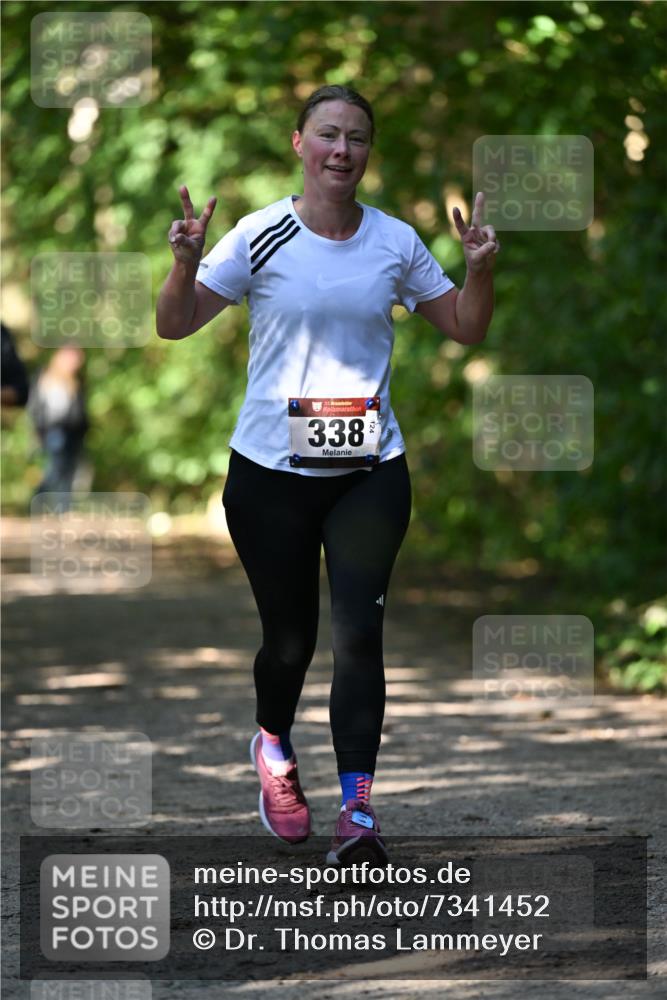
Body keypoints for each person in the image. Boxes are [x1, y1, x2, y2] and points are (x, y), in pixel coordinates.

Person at [156, 84, 499, 866]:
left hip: (368, 471)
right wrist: (182, 265)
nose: (342, 151)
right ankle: (273, 748)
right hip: (269, 475)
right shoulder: (259, 234)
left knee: (358, 636)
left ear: (366, 153)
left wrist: (477, 269)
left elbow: (466, 329)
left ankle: (357, 809)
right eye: (328, 136)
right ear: (299, 143)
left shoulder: (394, 242)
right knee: (289, 644)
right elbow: (174, 324)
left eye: (356, 139)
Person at [28, 344, 89, 507]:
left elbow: (79, 410)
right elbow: (36, 407)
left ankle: (63, 507)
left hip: (73, 432)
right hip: (53, 431)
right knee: (55, 469)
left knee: (69, 469)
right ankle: (39, 502)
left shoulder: (77, 381)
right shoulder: (46, 377)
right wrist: (37, 430)